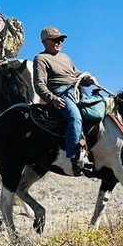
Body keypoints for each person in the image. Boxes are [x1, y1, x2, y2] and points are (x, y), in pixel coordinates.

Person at [33, 26, 98, 176]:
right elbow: (39, 84)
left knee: (99, 109)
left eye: (61, 39)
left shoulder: (65, 57)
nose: (60, 42)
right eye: (56, 40)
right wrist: (52, 98)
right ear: (45, 42)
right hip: (60, 93)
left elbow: (76, 74)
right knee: (74, 118)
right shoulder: (41, 59)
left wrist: (87, 80)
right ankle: (75, 159)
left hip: (76, 91)